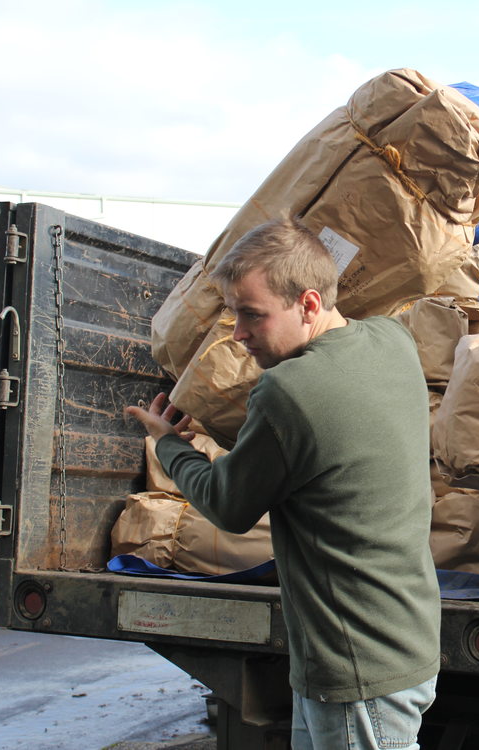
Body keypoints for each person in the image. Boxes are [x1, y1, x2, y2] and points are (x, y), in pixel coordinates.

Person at [125, 217, 440, 750]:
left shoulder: (289, 391)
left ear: (309, 305)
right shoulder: (392, 339)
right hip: (402, 633)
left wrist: (169, 444)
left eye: (252, 315)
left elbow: (227, 506)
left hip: (354, 660)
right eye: (232, 314)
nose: (238, 333)